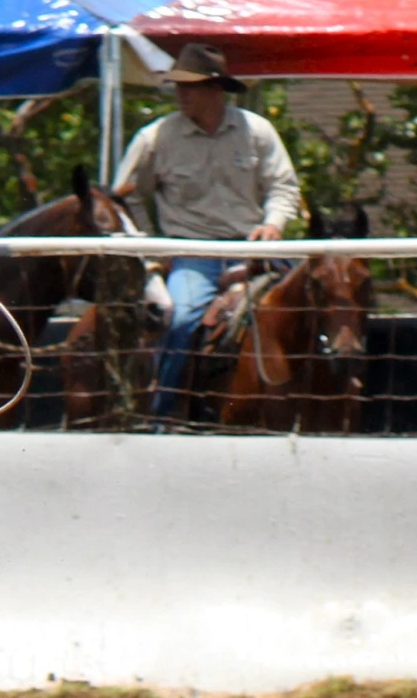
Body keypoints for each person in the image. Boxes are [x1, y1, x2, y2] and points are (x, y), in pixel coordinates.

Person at [114, 42, 303, 426]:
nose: (181, 94)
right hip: (192, 253)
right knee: (182, 319)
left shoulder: (256, 131)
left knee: (314, 300)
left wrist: (273, 223)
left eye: (191, 86)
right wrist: (152, 244)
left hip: (253, 248)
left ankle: (325, 407)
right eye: (178, 86)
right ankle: (163, 417)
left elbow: (284, 187)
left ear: (215, 89)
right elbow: (123, 196)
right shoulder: (156, 139)